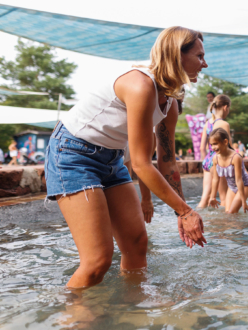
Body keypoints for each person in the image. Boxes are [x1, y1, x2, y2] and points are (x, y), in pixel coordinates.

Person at [44, 26, 207, 289]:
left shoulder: (171, 101)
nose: (205, 63)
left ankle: (130, 315)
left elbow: (167, 163)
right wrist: (186, 211)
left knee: (136, 245)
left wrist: (182, 213)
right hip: (73, 153)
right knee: (97, 262)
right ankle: (69, 321)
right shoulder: (140, 85)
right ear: (176, 55)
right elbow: (142, 164)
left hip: (111, 158)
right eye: (199, 56)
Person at [208, 128, 248, 213]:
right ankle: (238, 226)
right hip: (232, 187)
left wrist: (243, 201)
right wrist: (212, 197)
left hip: (244, 185)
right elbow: (215, 179)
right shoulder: (215, 158)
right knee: (228, 214)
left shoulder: (235, 157)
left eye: (215, 144)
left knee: (232, 212)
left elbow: (239, 180)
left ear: (225, 142)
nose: (213, 147)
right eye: (211, 145)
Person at [198, 94, 231, 208]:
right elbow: (229, 148)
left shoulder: (207, 124)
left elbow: (202, 148)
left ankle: (195, 219)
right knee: (224, 198)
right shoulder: (223, 124)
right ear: (225, 107)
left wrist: (205, 163)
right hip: (219, 161)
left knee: (204, 199)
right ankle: (225, 225)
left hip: (207, 161)